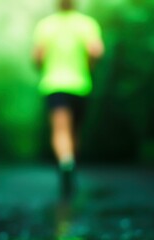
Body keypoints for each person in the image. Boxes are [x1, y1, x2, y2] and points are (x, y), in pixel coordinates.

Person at [33, 0, 104, 198]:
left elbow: (38, 56)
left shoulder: (46, 25)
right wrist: (89, 67)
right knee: (74, 130)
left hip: (54, 83)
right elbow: (96, 51)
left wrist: (42, 68)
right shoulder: (87, 24)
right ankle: (71, 162)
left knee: (60, 128)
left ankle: (65, 162)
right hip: (80, 85)